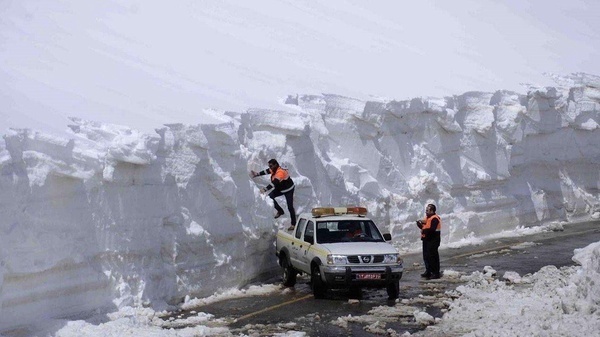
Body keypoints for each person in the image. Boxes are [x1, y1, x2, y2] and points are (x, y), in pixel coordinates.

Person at [251, 159, 296, 230]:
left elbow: (274, 183)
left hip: (288, 190)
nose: (270, 167)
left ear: (275, 164)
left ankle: (293, 224)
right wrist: (257, 174)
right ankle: (280, 211)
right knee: (270, 197)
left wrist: (264, 189)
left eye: (271, 166)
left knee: (290, 207)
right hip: (280, 188)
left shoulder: (280, 172)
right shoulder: (274, 169)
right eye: (269, 166)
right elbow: (267, 171)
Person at [416, 204, 442, 280]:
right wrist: (420, 225)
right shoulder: (427, 218)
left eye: (427, 210)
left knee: (433, 257)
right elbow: (425, 228)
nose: (426, 212)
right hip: (426, 239)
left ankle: (435, 273)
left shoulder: (435, 218)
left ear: (432, 211)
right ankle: (428, 271)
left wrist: (424, 229)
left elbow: (432, 229)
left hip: (433, 240)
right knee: (426, 256)